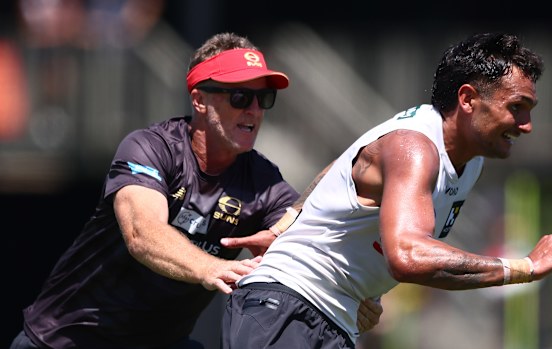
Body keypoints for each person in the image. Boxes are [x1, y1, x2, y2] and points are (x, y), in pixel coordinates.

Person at [10, 32, 382, 349]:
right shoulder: (150, 147)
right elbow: (143, 233)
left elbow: (315, 236)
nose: (254, 110)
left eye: (263, 98)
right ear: (200, 99)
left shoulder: (263, 182)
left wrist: (357, 294)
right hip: (63, 340)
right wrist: (211, 268)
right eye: (240, 97)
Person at [220, 32, 552, 348]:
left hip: (328, 319)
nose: (527, 125)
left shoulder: (469, 159)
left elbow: (343, 165)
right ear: (468, 99)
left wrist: (288, 223)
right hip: (286, 306)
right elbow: (407, 256)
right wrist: (525, 267)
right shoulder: (414, 147)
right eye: (516, 108)